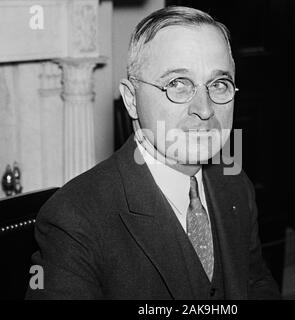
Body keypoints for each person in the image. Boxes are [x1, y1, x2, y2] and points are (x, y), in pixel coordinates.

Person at [26, 6, 281, 300]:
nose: (205, 109)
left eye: (219, 84)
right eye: (177, 83)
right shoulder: (75, 218)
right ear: (132, 100)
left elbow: (255, 282)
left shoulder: (234, 183)